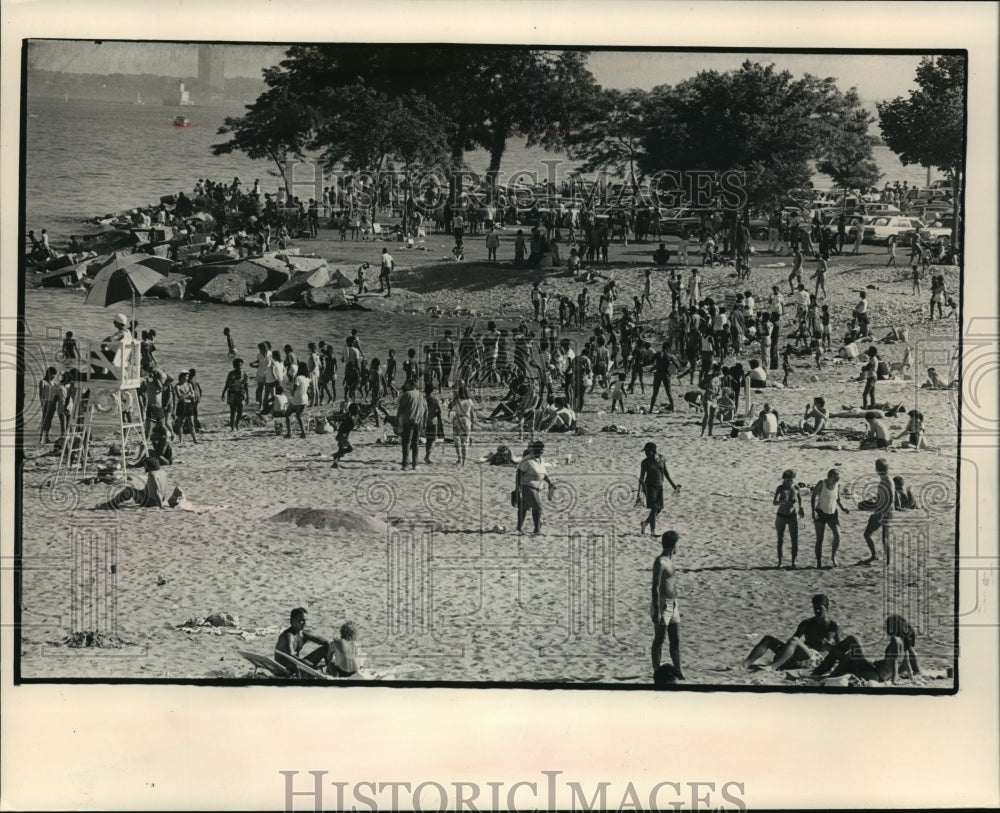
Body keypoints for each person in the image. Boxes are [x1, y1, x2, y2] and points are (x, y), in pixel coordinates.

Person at [811, 615, 921, 684]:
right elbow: (905, 662)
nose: (885, 629)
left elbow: (894, 663)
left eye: (887, 626)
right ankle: (828, 667)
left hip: (875, 675)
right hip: (879, 674)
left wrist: (894, 680)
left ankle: (825, 674)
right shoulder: (904, 641)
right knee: (850, 652)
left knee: (853, 640)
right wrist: (911, 678)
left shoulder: (895, 641)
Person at [743, 594, 840, 671]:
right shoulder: (806, 623)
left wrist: (829, 647)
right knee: (768, 639)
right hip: (802, 654)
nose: (817, 610)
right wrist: (782, 651)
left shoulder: (832, 626)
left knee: (795, 640)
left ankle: (773, 667)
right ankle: (745, 664)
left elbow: (840, 648)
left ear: (827, 608)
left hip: (816, 659)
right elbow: (792, 641)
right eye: (815, 607)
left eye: (820, 608)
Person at [650, 530, 684, 678]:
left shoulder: (670, 561)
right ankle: (656, 671)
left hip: (673, 604)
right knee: (660, 639)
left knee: (675, 639)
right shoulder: (660, 561)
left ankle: (679, 670)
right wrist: (657, 610)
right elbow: (655, 587)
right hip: (662, 604)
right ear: (673, 545)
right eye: (677, 544)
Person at [636, 443, 680, 537]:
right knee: (654, 508)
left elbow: (666, 473)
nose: (646, 454)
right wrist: (639, 492)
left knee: (658, 509)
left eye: (648, 451)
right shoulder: (645, 462)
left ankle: (645, 523)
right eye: (645, 452)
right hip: (649, 487)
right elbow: (641, 478)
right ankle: (653, 531)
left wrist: (674, 486)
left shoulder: (662, 459)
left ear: (654, 450)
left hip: (659, 486)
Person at [515, 439, 556, 535]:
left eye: (542, 450)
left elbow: (543, 474)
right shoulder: (527, 460)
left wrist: (550, 483)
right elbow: (519, 473)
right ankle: (537, 530)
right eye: (538, 449)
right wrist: (517, 488)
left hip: (538, 488)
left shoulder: (541, 460)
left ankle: (518, 528)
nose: (540, 451)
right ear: (533, 449)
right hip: (527, 486)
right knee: (537, 507)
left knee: (524, 507)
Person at [811, 469, 850, 568]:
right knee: (820, 539)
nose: (836, 481)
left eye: (838, 479)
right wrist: (813, 511)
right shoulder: (821, 483)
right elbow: (813, 496)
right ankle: (819, 562)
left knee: (838, 535)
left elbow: (838, 498)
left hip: (832, 514)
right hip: (820, 513)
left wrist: (843, 508)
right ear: (830, 477)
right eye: (835, 479)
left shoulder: (838, 485)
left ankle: (833, 557)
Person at [861, 457, 894, 565]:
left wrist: (882, 512)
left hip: (884, 512)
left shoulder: (887, 481)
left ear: (877, 469)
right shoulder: (887, 479)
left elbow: (891, 499)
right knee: (884, 537)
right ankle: (887, 561)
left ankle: (876, 556)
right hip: (884, 511)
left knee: (868, 534)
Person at [773, 468, 804, 568]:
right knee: (780, 539)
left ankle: (793, 562)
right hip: (781, 515)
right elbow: (774, 502)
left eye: (791, 480)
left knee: (794, 540)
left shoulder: (796, 487)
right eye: (787, 480)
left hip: (792, 515)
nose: (790, 482)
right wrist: (782, 502)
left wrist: (801, 508)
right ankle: (780, 562)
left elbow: (799, 498)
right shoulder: (780, 488)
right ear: (784, 479)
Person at [396, 379, 427, 471]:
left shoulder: (407, 394)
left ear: (410, 385)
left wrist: (398, 419)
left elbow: (400, 408)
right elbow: (425, 408)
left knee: (406, 443)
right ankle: (415, 464)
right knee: (415, 443)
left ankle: (405, 464)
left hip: (408, 421)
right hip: (418, 421)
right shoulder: (421, 395)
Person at [451, 383, 475, 466]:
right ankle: (464, 461)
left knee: (456, 440)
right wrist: (473, 423)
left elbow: (450, 406)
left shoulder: (457, 400)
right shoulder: (470, 401)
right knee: (465, 441)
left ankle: (459, 458)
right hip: (466, 420)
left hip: (457, 419)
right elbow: (472, 414)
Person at [221, 358, 249, 431]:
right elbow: (227, 384)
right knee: (233, 411)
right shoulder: (231, 374)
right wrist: (223, 393)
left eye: (240, 365)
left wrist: (248, 396)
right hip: (232, 393)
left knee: (240, 412)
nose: (239, 366)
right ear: (234, 365)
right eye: (237, 365)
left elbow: (246, 386)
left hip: (241, 394)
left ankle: (236, 423)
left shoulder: (244, 374)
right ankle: (232, 427)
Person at [286, 362, 311, 439]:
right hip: (305, 399)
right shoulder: (307, 379)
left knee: (287, 414)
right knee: (298, 415)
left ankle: (289, 433)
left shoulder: (298, 378)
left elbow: (295, 387)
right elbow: (308, 390)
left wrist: (291, 391)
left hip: (297, 399)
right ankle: (303, 433)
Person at [330, 403, 360, 468]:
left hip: (345, 435)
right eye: (357, 408)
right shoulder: (350, 418)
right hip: (343, 435)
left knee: (341, 449)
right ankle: (336, 457)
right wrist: (340, 435)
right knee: (349, 449)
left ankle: (335, 462)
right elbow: (341, 426)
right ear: (354, 410)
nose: (359, 409)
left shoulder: (355, 416)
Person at [423, 384, 444, 464]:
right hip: (433, 421)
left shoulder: (424, 399)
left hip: (425, 421)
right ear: (432, 391)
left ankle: (427, 457)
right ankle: (427, 456)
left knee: (428, 440)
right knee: (433, 440)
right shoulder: (435, 399)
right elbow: (440, 411)